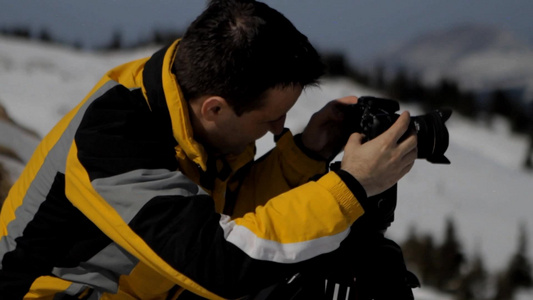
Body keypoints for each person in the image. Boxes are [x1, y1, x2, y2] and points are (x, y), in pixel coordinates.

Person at [0, 0, 418, 299]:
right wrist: (351, 187)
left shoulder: (189, 105)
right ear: (215, 108)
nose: (279, 128)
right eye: (269, 118)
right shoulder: (111, 140)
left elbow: (227, 215)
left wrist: (306, 153)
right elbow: (221, 263)